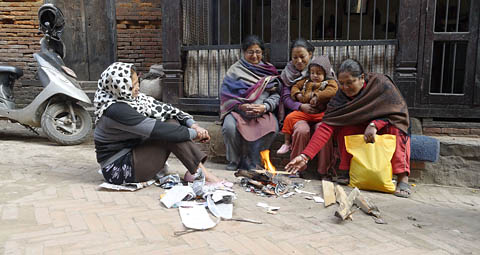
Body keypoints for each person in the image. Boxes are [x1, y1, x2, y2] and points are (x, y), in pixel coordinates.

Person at [285, 59, 412, 198]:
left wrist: (375, 125)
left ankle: (402, 177)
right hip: (359, 125)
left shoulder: (380, 84)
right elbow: (326, 127)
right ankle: (346, 171)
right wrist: (305, 156)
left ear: (361, 78)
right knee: (343, 127)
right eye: (342, 83)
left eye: (350, 82)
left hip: (384, 124)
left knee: (397, 128)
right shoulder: (340, 97)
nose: (345, 87)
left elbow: (396, 112)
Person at [94, 62, 223, 185]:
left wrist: (193, 125)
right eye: (133, 85)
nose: (137, 88)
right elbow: (158, 130)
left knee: (171, 122)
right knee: (169, 132)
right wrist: (195, 134)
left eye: (137, 82)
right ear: (119, 87)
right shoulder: (115, 110)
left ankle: (196, 171)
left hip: (133, 152)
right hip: (119, 169)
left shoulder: (133, 99)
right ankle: (201, 173)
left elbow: (167, 110)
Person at [220, 35, 280, 171]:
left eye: (258, 52)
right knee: (229, 127)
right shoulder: (234, 70)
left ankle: (255, 160)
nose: (254, 56)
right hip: (237, 112)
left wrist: (265, 106)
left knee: (273, 128)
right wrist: (240, 106)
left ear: (262, 53)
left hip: (261, 112)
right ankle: (234, 161)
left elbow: (276, 94)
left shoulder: (269, 70)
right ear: (243, 52)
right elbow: (225, 95)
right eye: (250, 52)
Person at [280, 38, 336, 177]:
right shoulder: (288, 74)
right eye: (295, 57)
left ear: (310, 54)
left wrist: (319, 98)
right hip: (300, 113)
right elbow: (286, 97)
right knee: (301, 130)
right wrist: (300, 105)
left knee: (322, 130)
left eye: (302, 56)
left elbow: (333, 91)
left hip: (320, 114)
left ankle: (324, 171)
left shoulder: (324, 70)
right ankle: (296, 169)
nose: (298, 61)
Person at [277, 57, 338, 154]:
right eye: (312, 72)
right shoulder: (305, 81)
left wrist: (317, 97)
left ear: (325, 74)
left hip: (320, 114)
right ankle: (287, 143)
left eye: (319, 73)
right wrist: (298, 94)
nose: (315, 76)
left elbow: (332, 91)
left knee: (328, 124)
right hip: (305, 112)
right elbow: (295, 87)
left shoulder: (329, 82)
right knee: (289, 118)